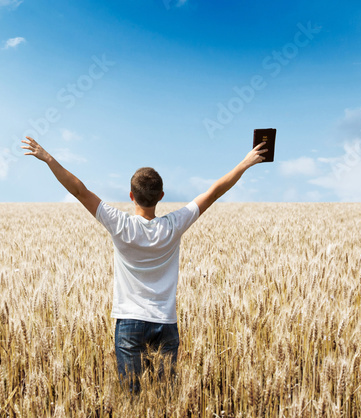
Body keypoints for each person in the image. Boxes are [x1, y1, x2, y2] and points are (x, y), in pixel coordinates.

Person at [21, 135, 267, 395]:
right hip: (165, 322)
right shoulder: (174, 224)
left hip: (129, 322)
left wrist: (48, 158)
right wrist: (244, 163)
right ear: (161, 195)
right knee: (165, 400)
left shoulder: (120, 224)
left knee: (132, 398)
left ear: (131, 195)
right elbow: (214, 192)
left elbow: (79, 190)